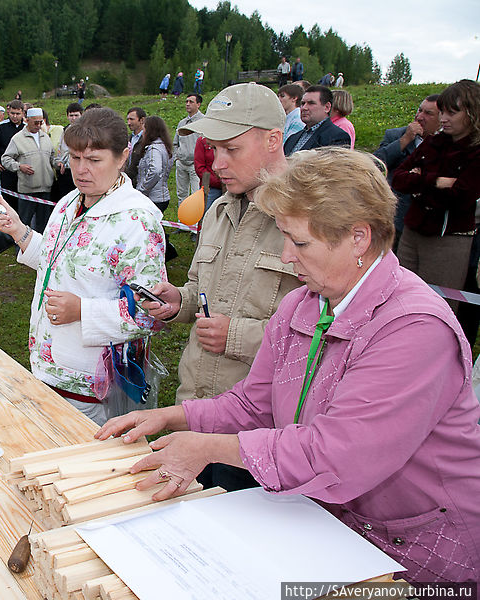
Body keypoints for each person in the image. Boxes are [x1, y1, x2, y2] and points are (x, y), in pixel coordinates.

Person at [97, 147, 480, 583]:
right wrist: (173, 415)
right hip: (332, 533)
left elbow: (339, 453)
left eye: (299, 241)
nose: (285, 256)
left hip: (422, 553)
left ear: (359, 237)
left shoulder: (414, 328)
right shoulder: (302, 304)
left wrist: (210, 448)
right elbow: (254, 403)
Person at [140, 83, 300, 492]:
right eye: (214, 149)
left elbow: (328, 336)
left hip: (260, 435)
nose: (217, 163)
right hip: (196, 407)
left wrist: (237, 335)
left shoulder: (305, 221)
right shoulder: (219, 211)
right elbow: (200, 288)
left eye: (232, 149)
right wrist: (179, 301)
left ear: (273, 140)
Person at [0, 107, 167, 425]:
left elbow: (151, 314)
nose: (81, 170)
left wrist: (83, 310)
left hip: (89, 386)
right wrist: (19, 231)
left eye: (94, 160)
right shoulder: (70, 202)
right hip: (47, 368)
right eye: (74, 158)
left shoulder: (138, 220)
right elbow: (59, 261)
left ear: (122, 157)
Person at [392, 80, 480, 316]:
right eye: (442, 111)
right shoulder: (434, 142)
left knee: (434, 308)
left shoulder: (476, 152)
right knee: (398, 299)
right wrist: (436, 181)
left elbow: (460, 197)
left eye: (452, 112)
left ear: (472, 113)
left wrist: (420, 182)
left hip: (448, 239)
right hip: (413, 232)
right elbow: (399, 179)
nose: (444, 118)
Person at [373, 95, 440, 251]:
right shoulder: (396, 135)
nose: (420, 117)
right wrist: (405, 140)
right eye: (419, 110)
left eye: (428, 113)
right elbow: (376, 163)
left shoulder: (445, 143)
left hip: (427, 220)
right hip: (395, 217)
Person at [1, 107, 57, 233]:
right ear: (27, 120)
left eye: (41, 122)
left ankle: (41, 249)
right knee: (24, 223)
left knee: (44, 224)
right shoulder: (17, 138)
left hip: (46, 188)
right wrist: (19, 167)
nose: (38, 125)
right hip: (27, 190)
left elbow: (52, 158)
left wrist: (58, 163)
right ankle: (21, 248)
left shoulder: (45, 137)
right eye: (35, 122)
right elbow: (5, 159)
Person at [283, 86, 351, 155]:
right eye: (303, 103)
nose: (304, 108)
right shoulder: (292, 138)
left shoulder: (337, 137)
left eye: (311, 103)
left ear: (327, 107)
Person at [134, 115, 172, 212]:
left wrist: (143, 189)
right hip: (161, 196)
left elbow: (156, 170)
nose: (143, 133)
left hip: (153, 198)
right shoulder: (165, 147)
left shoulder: (154, 149)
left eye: (144, 129)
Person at [173, 93, 204, 200]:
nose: (187, 104)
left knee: (196, 194)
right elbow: (175, 142)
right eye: (186, 102)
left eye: (191, 102)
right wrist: (178, 156)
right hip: (181, 162)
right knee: (181, 194)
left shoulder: (203, 121)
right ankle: (181, 217)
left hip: (195, 165)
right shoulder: (182, 123)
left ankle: (196, 217)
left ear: (198, 104)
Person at [52, 102, 83, 200]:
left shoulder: (86, 132)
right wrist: (59, 162)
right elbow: (60, 150)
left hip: (79, 170)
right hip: (65, 171)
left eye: (76, 115)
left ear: (81, 115)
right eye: (71, 115)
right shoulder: (64, 130)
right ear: (67, 116)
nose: (73, 118)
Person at [193, 136, 222, 211]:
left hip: (230, 187)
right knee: (206, 213)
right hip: (210, 188)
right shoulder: (202, 141)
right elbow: (199, 167)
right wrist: (218, 181)